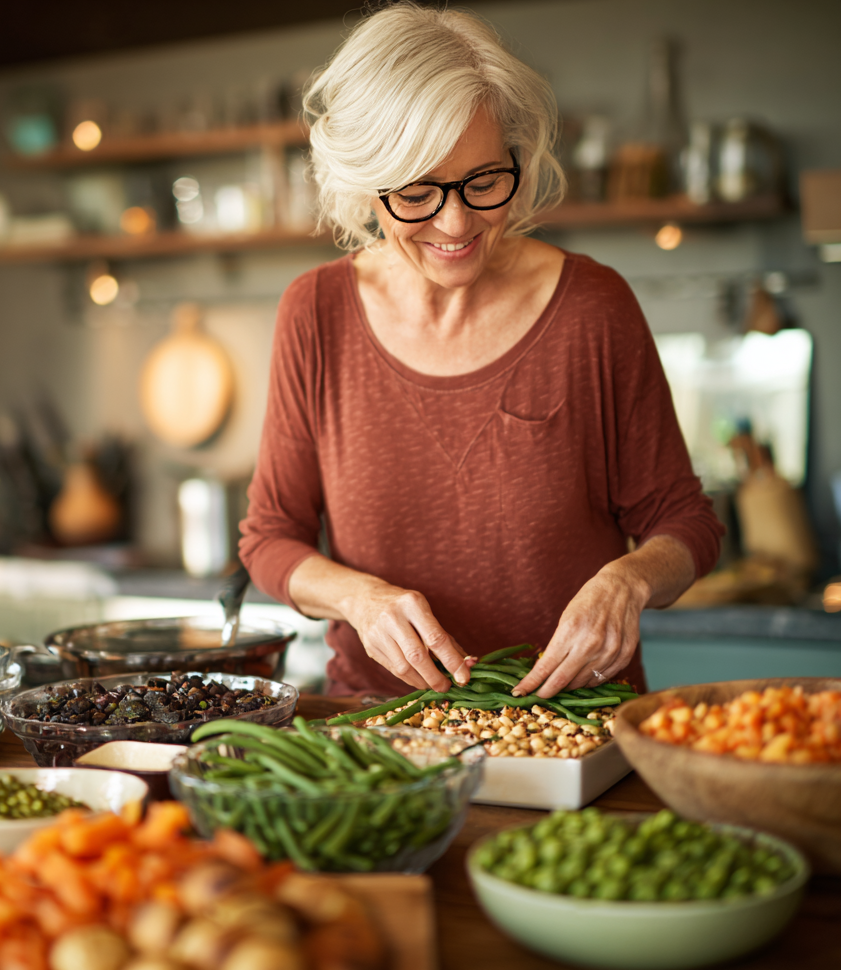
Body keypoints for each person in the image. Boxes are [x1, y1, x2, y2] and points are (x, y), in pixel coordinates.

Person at [239, 3, 723, 700]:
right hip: (377, 739)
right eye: (417, 192)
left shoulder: (594, 307)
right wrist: (358, 599)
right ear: (366, 185)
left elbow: (687, 523)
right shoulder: (316, 312)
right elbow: (269, 539)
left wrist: (629, 580)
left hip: (570, 726)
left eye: (483, 181)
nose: (457, 222)